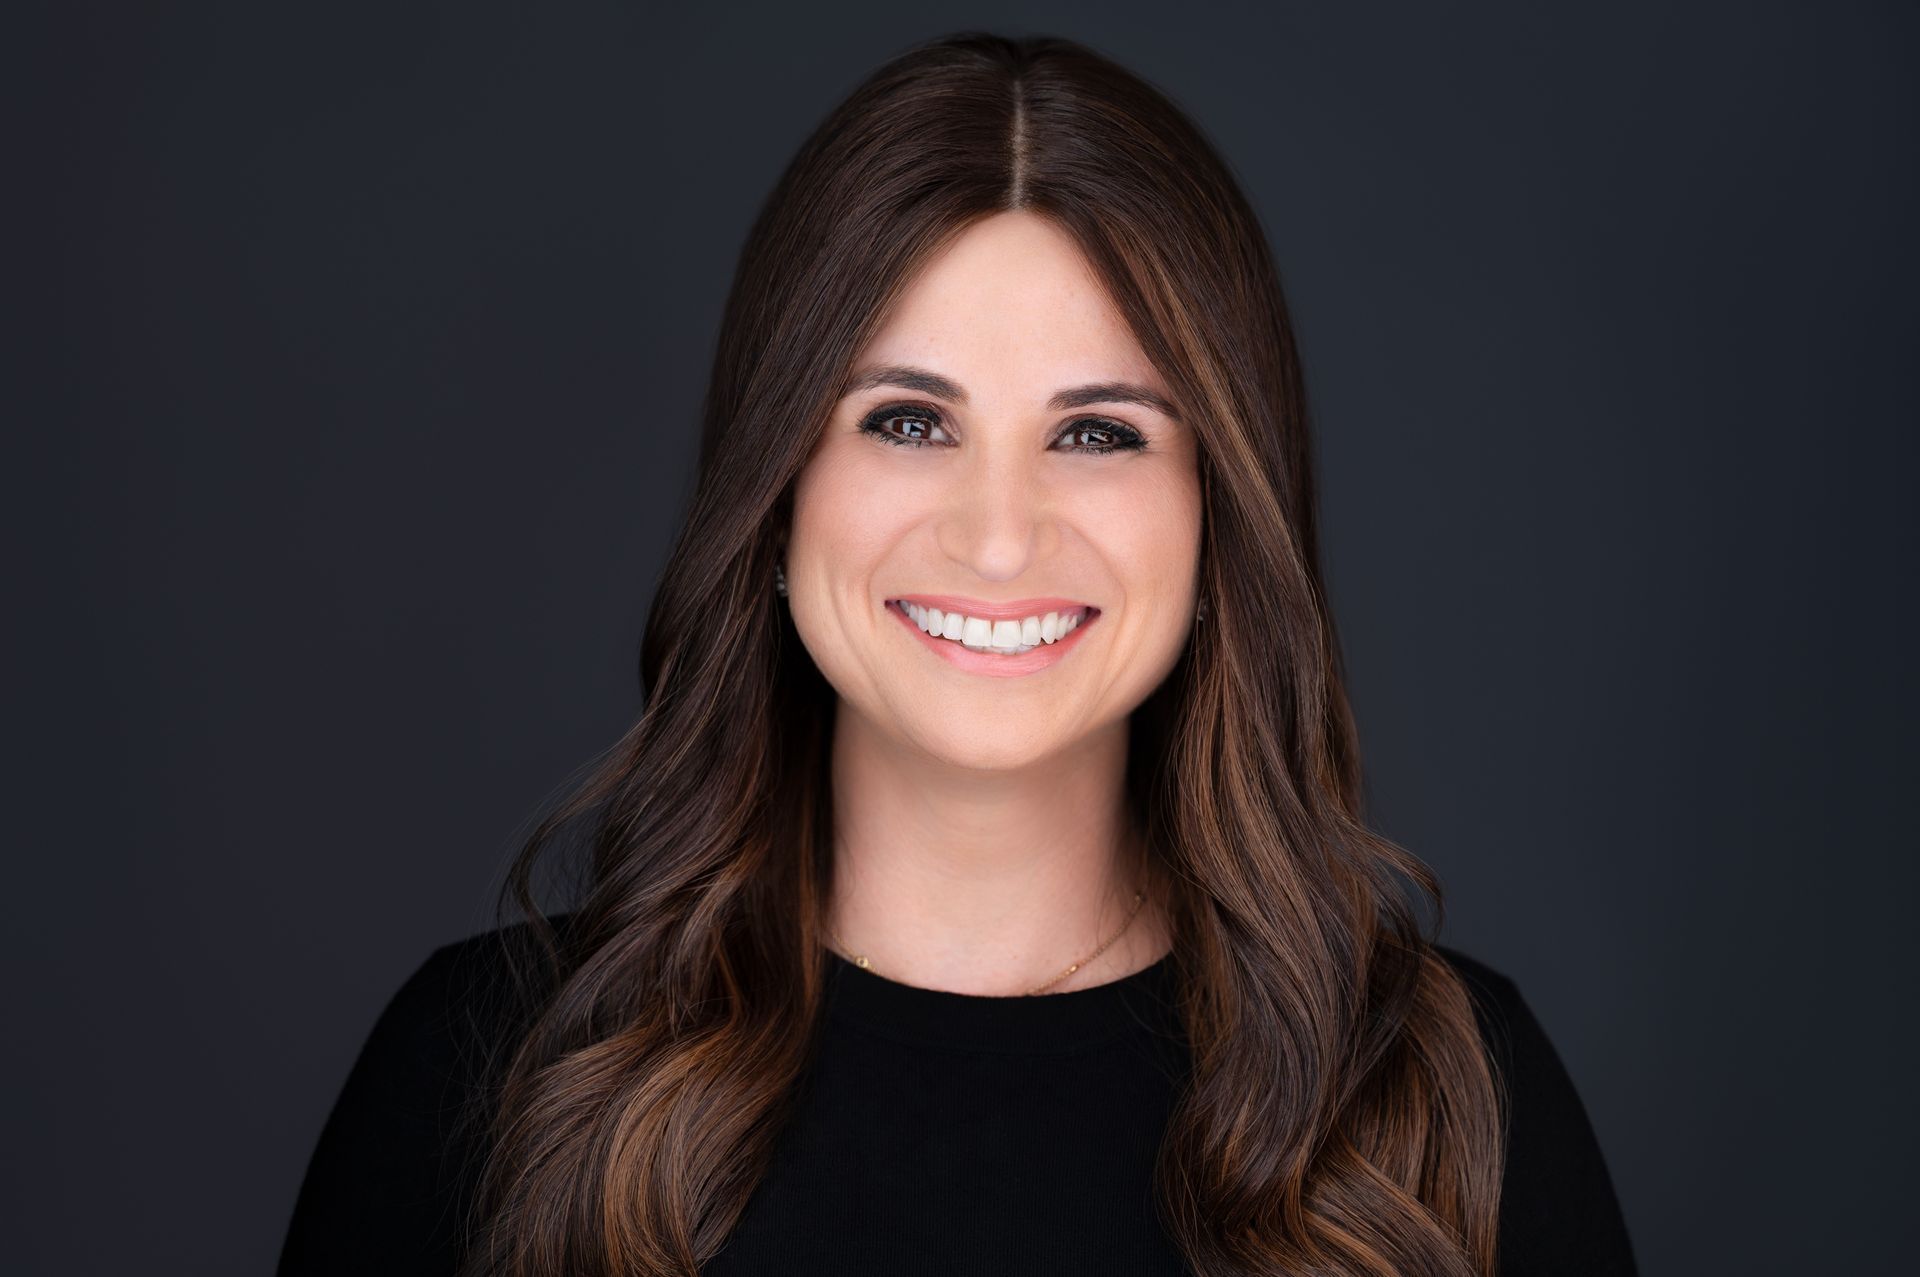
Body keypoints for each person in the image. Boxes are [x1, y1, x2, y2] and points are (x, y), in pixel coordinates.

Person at [278, 30, 1637, 1277]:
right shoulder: (486, 1081)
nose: (999, 538)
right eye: (909, 421)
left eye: (1099, 432)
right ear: (779, 485)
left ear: (1221, 514)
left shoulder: (1443, 1103)